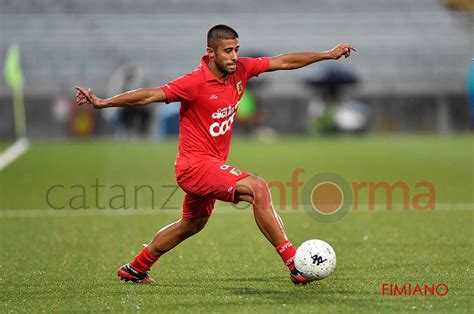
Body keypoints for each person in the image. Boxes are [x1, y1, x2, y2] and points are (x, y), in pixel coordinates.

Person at [75, 25, 356, 285]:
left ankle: (136, 267)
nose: (234, 56)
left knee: (191, 224)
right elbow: (150, 95)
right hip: (194, 167)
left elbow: (283, 61)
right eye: (228, 51)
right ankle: (294, 263)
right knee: (257, 187)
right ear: (211, 52)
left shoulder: (241, 70)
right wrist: (104, 103)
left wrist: (327, 55)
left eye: (236, 49)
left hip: (210, 167)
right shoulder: (194, 83)